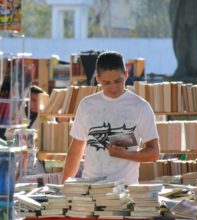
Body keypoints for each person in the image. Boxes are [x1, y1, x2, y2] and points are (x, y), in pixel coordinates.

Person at [62, 51, 159, 185]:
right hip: (91, 189)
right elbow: (76, 150)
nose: (113, 88)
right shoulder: (86, 105)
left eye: (118, 81)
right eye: (107, 83)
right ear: (98, 80)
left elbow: (154, 153)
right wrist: (65, 188)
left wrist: (125, 155)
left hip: (125, 191)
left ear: (126, 75)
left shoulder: (140, 106)